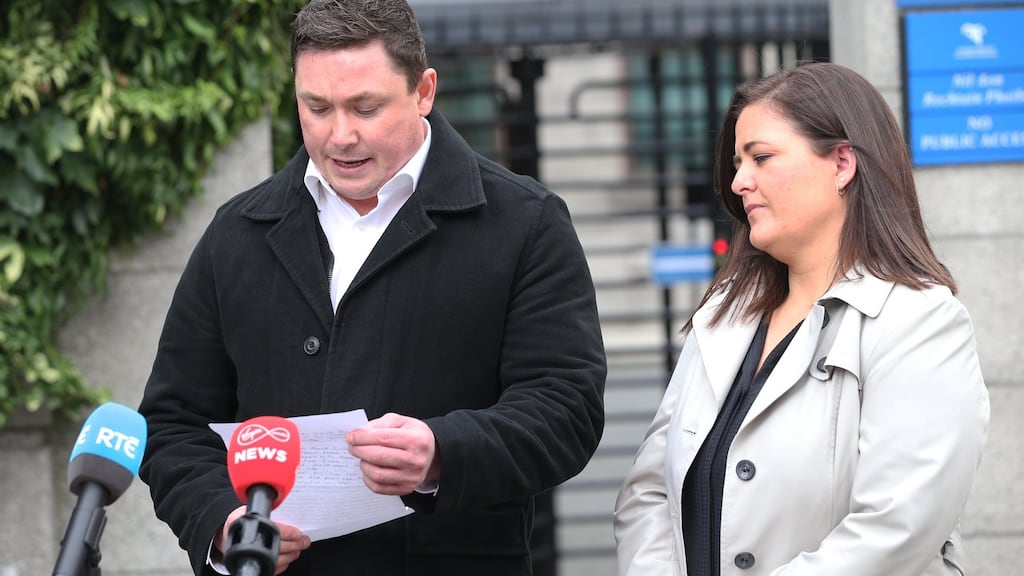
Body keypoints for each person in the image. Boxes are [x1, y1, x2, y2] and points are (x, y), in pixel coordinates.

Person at [137, 0, 606, 574]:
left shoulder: (525, 222)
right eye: (317, 107)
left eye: (365, 107)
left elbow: (567, 408)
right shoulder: (237, 232)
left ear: (424, 91)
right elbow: (171, 424)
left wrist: (442, 453)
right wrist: (220, 521)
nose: (340, 135)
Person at [613, 62, 989, 576]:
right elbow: (649, 491)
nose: (739, 181)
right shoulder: (724, 316)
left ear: (841, 164)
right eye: (738, 162)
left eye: (761, 158)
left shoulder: (919, 321)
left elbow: (895, 527)